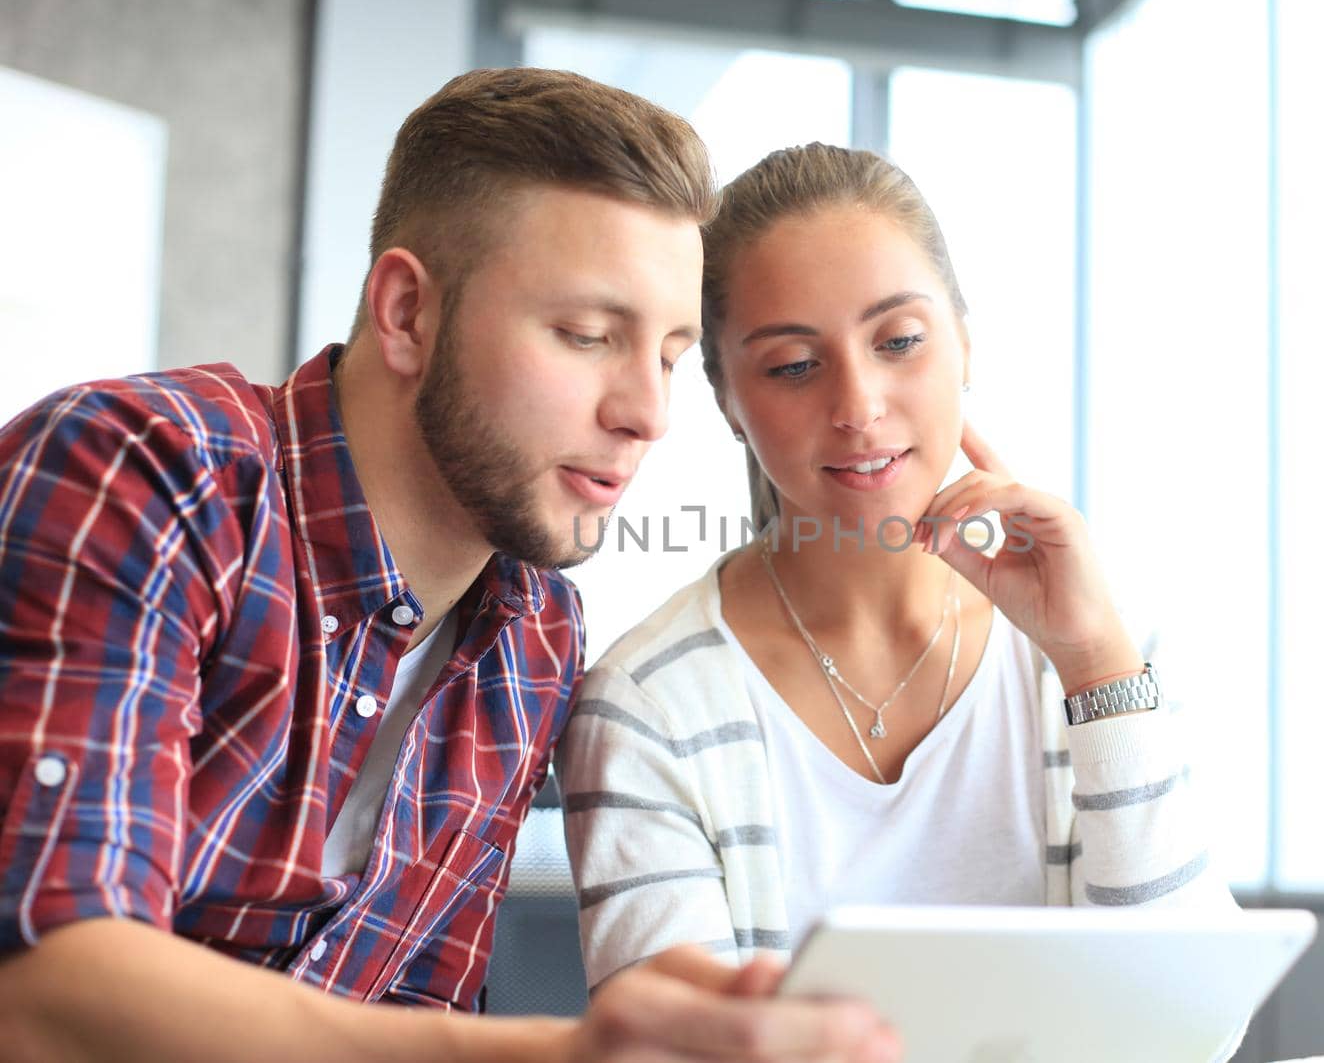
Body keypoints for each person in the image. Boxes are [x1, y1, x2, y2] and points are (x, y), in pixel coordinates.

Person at [0, 71, 899, 1063]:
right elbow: (39, 984)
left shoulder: (535, 636)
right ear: (406, 312)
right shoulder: (145, 471)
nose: (647, 412)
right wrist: (558, 1053)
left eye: (671, 354)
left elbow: (415, 1011)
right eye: (590, 335)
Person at [557, 143, 1240, 992]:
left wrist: (1096, 660)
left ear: (964, 345)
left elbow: (1192, 1013)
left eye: (901, 341)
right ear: (729, 401)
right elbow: (675, 1050)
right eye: (794, 366)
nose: (858, 407)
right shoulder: (651, 704)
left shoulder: (1089, 651)